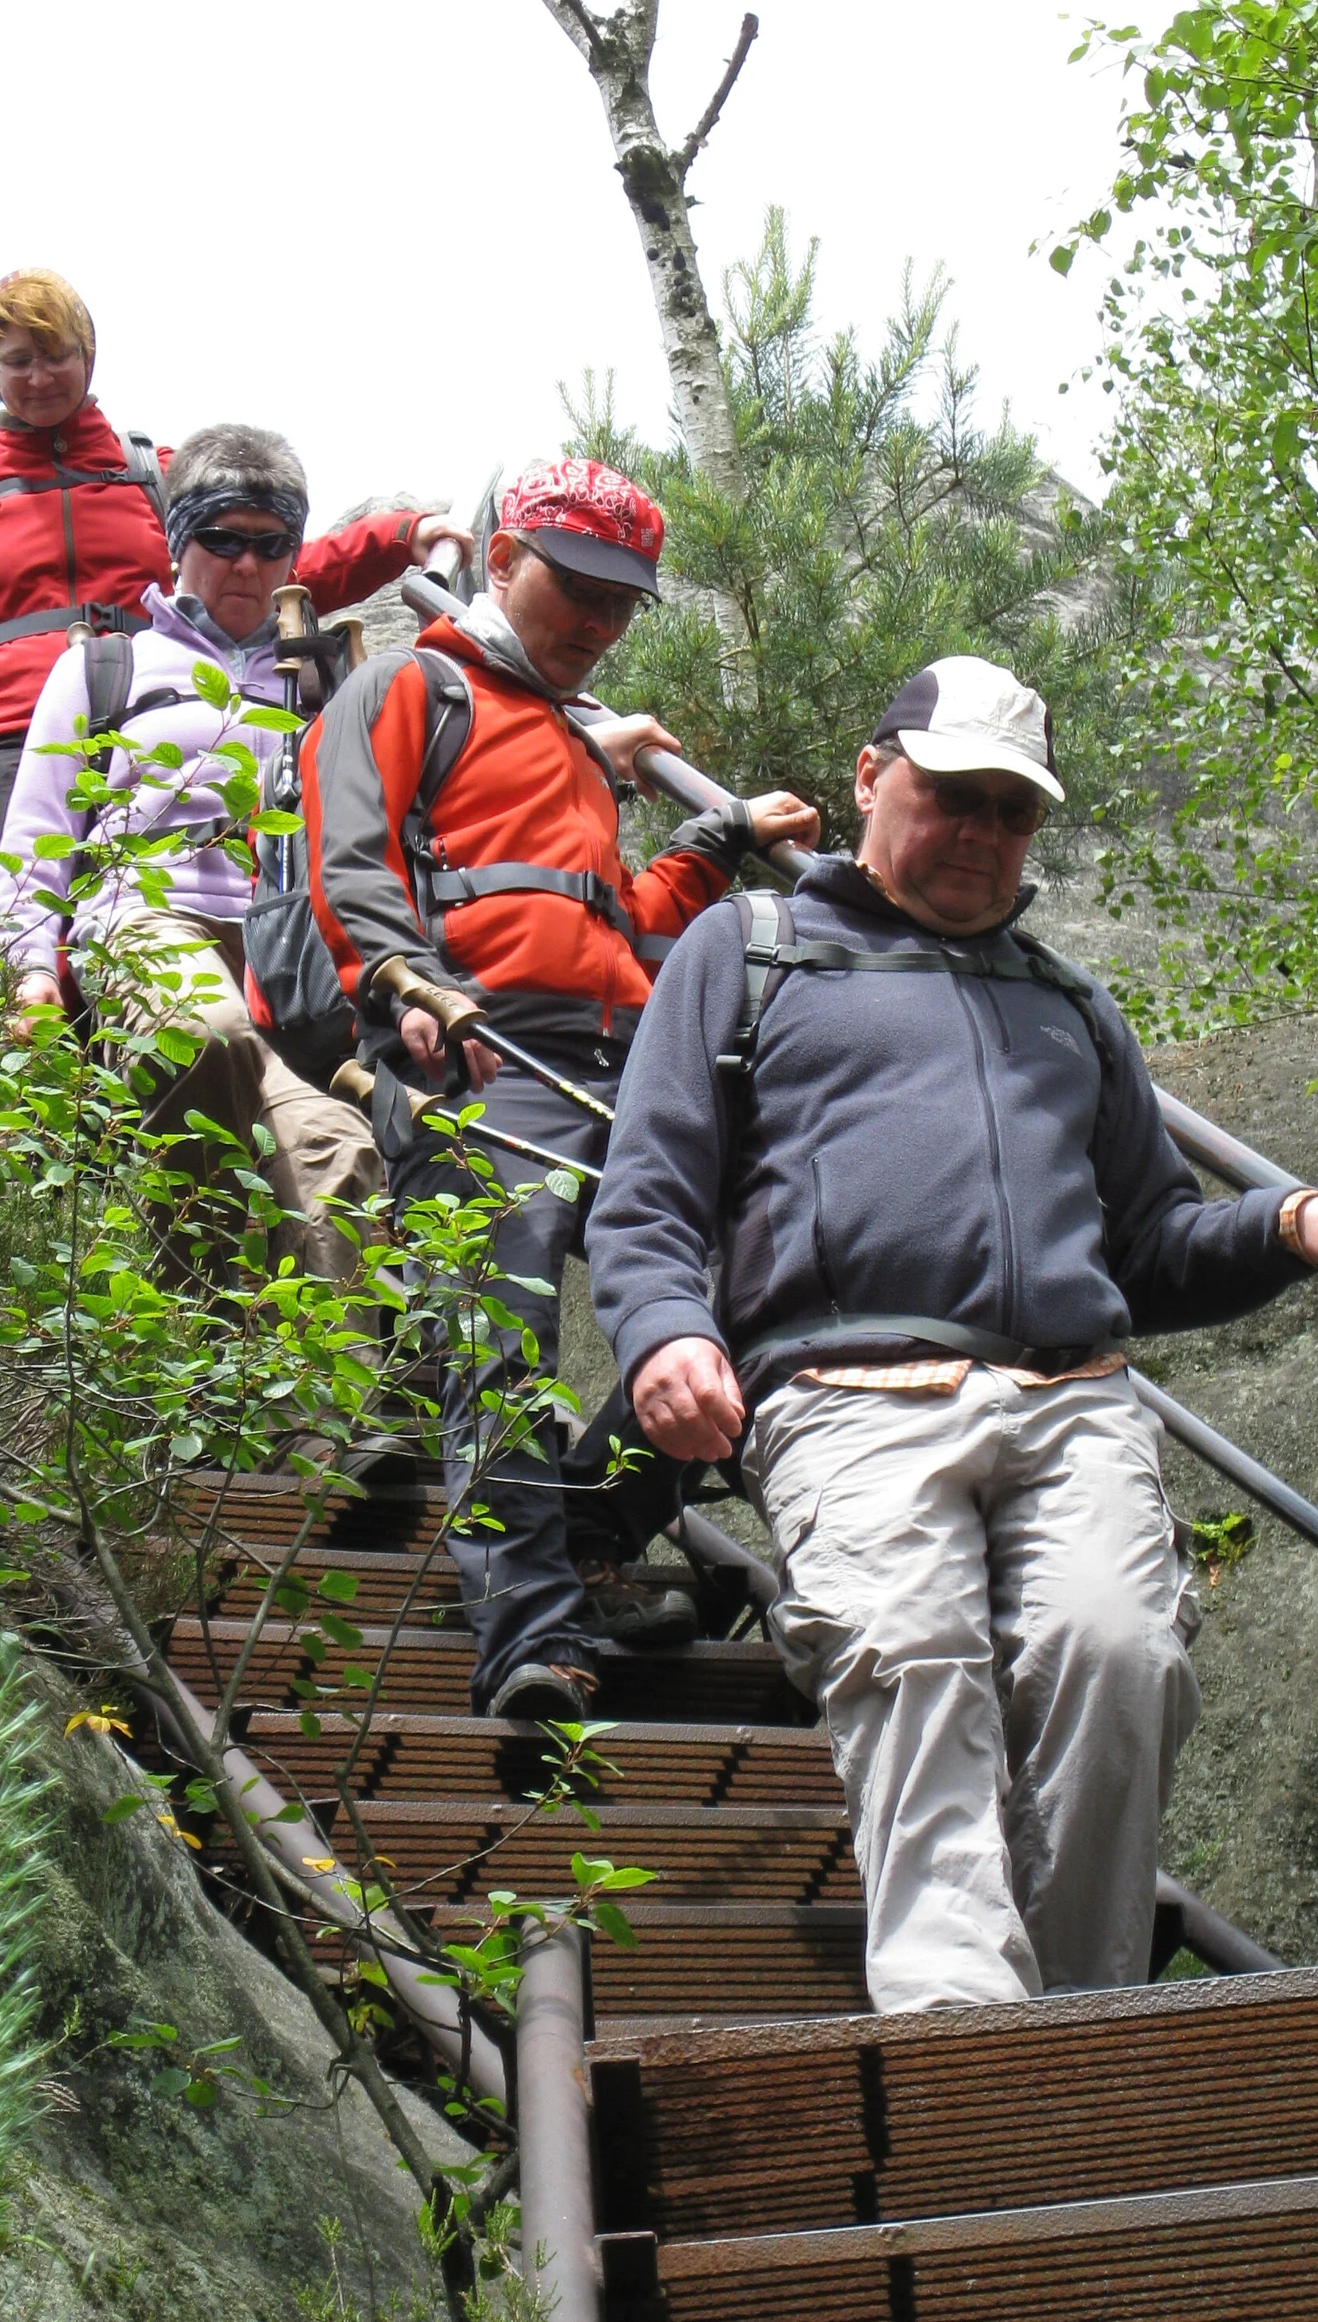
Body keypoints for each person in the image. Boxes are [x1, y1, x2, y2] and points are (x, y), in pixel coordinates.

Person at [584, 653, 1318, 2013]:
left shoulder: (1067, 1004)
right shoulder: (747, 951)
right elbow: (647, 1193)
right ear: (873, 778)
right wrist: (659, 1336)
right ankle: (963, 2044)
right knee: (914, 1662)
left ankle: (1074, 2031)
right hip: (847, 1394)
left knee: (1124, 1661)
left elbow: (1151, 1244)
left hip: (1072, 1399)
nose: (983, 835)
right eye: (954, 798)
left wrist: (1288, 1222)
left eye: (1014, 812)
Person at [303, 458, 820, 1720]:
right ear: (499, 562)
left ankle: (592, 1525)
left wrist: (710, 842)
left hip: (613, 1066)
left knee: (764, 1284)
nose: (595, 620)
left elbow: (610, 928)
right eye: (572, 585)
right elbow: (351, 864)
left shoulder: (575, 748)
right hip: (478, 1057)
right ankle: (531, 1639)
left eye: (621, 600)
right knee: (501, 1320)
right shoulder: (410, 686)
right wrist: (412, 991)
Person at [0, 269, 466, 933]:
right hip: (6, 742)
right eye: (17, 361)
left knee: (148, 928)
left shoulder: (152, 472)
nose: (39, 377)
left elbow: (263, 563)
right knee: (33, 940)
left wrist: (400, 536)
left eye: (56, 355)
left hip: (147, 729)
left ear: (88, 356)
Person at [0, 423, 453, 1284]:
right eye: (223, 539)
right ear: (179, 542)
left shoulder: (320, 682)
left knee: (336, 1163)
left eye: (272, 544)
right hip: (143, 912)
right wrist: (32, 974)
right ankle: (202, 1314)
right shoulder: (107, 668)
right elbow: (36, 829)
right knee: (203, 1035)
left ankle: (321, 1419)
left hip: (292, 963)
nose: (247, 564)